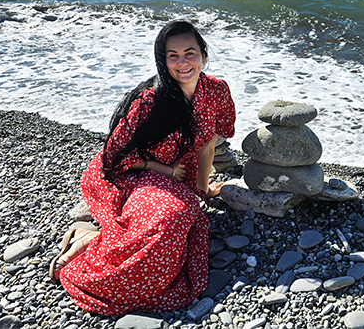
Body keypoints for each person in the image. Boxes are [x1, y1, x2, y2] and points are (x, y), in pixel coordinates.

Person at [48, 20, 236, 316]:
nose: (182, 62)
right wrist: (166, 171)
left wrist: (201, 190)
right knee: (175, 214)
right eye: (172, 56)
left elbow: (207, 145)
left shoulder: (216, 91)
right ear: (162, 61)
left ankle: (95, 240)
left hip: (175, 179)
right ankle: (90, 247)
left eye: (189, 53)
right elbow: (114, 157)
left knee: (187, 214)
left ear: (203, 54)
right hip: (131, 174)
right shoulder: (150, 101)